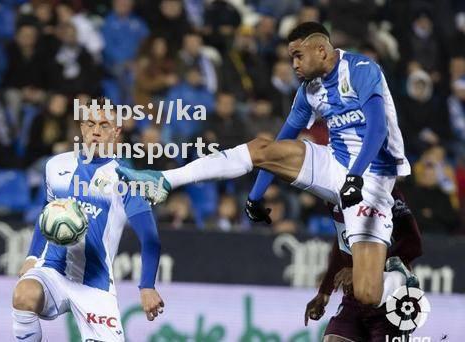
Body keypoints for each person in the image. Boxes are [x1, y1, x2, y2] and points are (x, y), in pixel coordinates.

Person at [117, 22, 412, 308]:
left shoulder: (361, 70)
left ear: (321, 50)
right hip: (334, 163)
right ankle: (165, 179)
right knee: (261, 146)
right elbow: (278, 144)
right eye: (290, 57)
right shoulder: (309, 91)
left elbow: (378, 129)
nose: (294, 64)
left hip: (372, 176)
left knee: (367, 294)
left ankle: (398, 274)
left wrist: (355, 178)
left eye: (298, 55)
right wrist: (255, 197)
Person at [11, 100, 164, 341]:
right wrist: (32, 256)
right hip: (53, 270)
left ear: (116, 132)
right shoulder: (56, 166)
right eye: (90, 123)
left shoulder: (128, 180)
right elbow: (47, 211)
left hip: (95, 284)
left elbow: (150, 238)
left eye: (105, 125)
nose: (96, 131)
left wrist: (147, 286)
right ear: (82, 127)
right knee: (24, 294)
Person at [304, 187, 422, 341]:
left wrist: (362, 270)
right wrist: (324, 292)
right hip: (355, 297)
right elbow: (342, 243)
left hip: (391, 296)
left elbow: (413, 243)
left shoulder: (386, 191)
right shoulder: (335, 193)